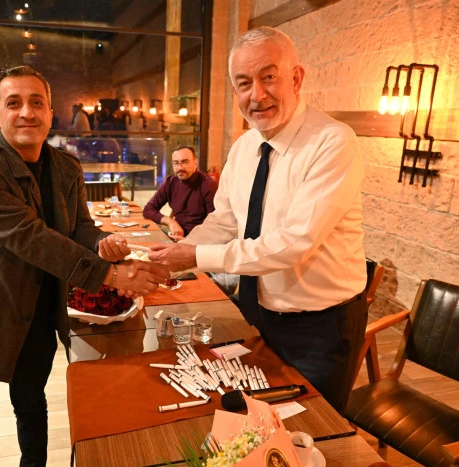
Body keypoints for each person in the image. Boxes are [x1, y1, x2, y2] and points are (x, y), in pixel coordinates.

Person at [0, 65, 168, 466]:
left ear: (50, 112)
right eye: (14, 103)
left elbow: (79, 226)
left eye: (36, 102)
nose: (27, 112)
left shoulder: (66, 167)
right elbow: (29, 236)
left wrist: (102, 243)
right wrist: (109, 274)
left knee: (32, 407)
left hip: (38, 312)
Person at [148, 26, 367, 413]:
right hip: (257, 312)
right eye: (244, 83)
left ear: (296, 78)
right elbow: (225, 220)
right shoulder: (244, 146)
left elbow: (293, 244)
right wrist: (174, 255)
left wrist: (195, 257)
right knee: (256, 420)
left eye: (269, 77)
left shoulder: (333, 142)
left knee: (314, 428)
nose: (257, 95)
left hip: (320, 327)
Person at [143, 146, 217, 241]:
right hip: (175, 236)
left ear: (195, 162)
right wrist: (170, 222)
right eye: (176, 163)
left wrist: (187, 241)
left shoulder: (208, 185)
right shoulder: (171, 182)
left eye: (185, 162)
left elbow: (214, 225)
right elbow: (148, 210)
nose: (180, 167)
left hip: (199, 241)